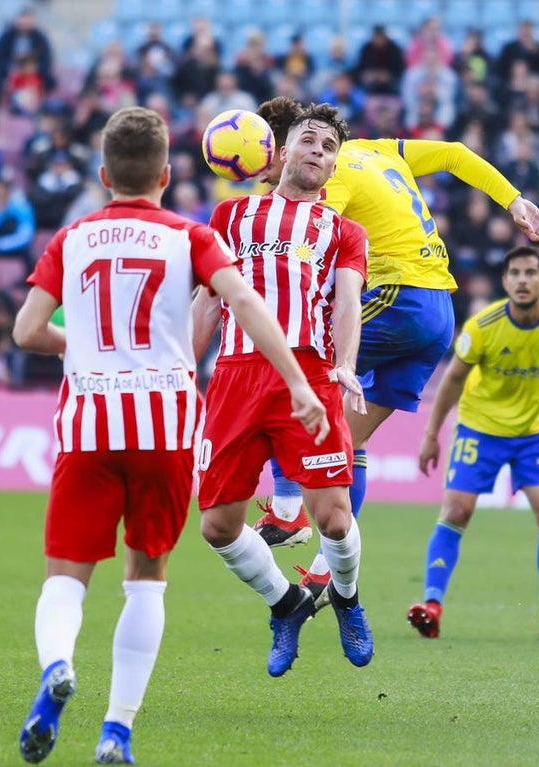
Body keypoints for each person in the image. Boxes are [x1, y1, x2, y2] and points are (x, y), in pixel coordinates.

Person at [11, 106, 329, 765]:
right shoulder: (189, 236)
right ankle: (116, 731)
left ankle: (56, 670)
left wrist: (92, 343)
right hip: (162, 427)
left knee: (66, 579)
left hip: (89, 424)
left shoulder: (71, 239)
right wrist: (299, 384)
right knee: (146, 579)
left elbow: (26, 332)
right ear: (165, 173)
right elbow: (245, 304)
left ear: (104, 174)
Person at [247, 96, 539, 606]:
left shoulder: (332, 178)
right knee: (345, 441)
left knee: (290, 374)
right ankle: (328, 571)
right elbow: (457, 153)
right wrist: (513, 200)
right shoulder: (376, 150)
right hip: (436, 314)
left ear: (281, 152)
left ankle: (287, 510)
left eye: (264, 166)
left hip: (396, 299)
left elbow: (302, 245)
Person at [190, 104, 374, 678]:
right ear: (281, 150)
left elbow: (347, 302)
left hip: (311, 376)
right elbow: (208, 302)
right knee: (217, 526)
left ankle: (345, 599)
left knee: (336, 520)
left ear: (334, 165)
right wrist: (177, 371)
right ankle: (286, 605)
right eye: (308, 140)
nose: (319, 151)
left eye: (329, 147)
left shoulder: (344, 232)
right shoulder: (231, 216)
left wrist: (346, 365)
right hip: (237, 378)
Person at [408, 245, 539, 642]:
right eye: (515, 273)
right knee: (457, 510)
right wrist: (431, 434)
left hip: (533, 432)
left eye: (531, 273)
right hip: (480, 428)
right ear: (505, 281)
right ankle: (432, 604)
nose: (523, 280)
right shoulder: (483, 325)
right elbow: (453, 379)